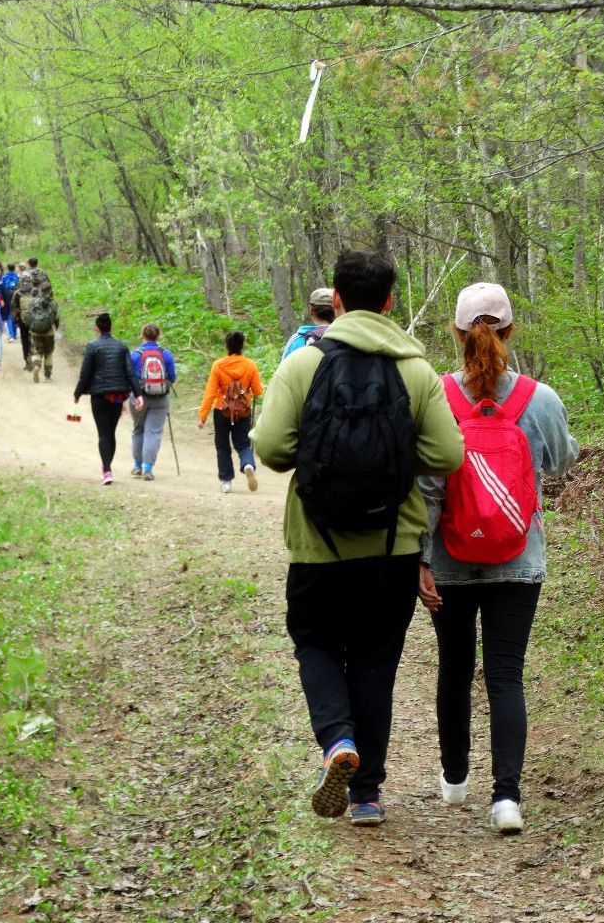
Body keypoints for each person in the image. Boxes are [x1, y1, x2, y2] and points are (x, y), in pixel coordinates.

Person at [251, 249, 464, 827]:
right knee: (375, 661)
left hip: (316, 544)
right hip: (392, 547)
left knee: (316, 644)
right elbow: (448, 453)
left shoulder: (302, 365)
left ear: (336, 301)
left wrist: (319, 457)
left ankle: (336, 741)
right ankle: (366, 794)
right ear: (390, 301)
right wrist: (393, 461)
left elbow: (269, 449)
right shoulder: (415, 370)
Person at [417, 282, 578, 835]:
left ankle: (455, 778)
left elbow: (426, 488)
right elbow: (559, 461)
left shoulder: (436, 397)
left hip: (449, 558)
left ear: (456, 333)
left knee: (454, 668)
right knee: (505, 674)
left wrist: (419, 559)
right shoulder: (541, 399)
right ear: (510, 331)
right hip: (519, 557)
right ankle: (506, 799)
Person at [74, 312, 144, 485]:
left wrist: (78, 393)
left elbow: (85, 373)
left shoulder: (92, 346)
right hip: (117, 397)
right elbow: (130, 372)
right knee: (110, 433)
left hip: (99, 396)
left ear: (96, 328)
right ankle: (107, 467)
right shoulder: (122, 346)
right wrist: (139, 394)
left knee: (103, 434)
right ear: (111, 327)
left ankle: (106, 470)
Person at [197, 331, 264, 494]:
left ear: (226, 346)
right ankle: (247, 464)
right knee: (242, 443)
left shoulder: (218, 365)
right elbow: (257, 391)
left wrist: (202, 417)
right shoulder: (250, 365)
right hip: (243, 411)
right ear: (242, 346)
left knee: (222, 445)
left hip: (222, 410)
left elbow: (210, 393)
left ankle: (226, 481)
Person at [129, 324, 177, 481]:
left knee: (138, 429)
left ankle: (137, 465)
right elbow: (172, 377)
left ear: (143, 336)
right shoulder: (166, 354)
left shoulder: (135, 355)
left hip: (138, 398)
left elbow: (129, 377)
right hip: (160, 399)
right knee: (153, 432)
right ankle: (148, 469)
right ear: (158, 336)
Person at [282, 287, 336, 360]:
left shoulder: (298, 340)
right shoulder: (344, 336)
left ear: (311, 310)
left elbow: (284, 369)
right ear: (335, 310)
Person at [26, 282, 61, 383]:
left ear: (40, 290)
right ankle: (48, 377)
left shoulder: (33, 301)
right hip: (49, 332)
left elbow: (28, 316)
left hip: (35, 332)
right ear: (50, 291)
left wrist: (30, 327)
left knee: (36, 351)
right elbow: (56, 318)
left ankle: (37, 366)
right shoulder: (53, 303)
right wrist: (56, 328)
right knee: (48, 353)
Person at [12, 261, 37, 370]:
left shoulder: (17, 293)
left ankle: (27, 361)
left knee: (24, 340)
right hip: (34, 319)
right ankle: (34, 355)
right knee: (33, 338)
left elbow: (14, 308)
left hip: (22, 320)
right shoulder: (35, 291)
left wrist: (15, 321)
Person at [0, 264, 20, 341]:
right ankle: (15, 334)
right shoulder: (18, 277)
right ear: (14, 268)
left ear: (7, 269)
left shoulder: (4, 277)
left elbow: (2, 288)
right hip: (16, 297)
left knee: (9, 315)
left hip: (7, 297)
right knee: (16, 314)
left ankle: (12, 335)